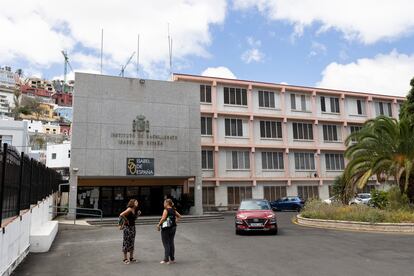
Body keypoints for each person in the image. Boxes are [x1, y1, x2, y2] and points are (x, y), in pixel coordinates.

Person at [157, 198, 182, 264]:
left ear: (167, 203)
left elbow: (163, 218)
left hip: (166, 228)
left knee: (166, 243)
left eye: (164, 202)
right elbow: (179, 216)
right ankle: (172, 259)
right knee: (171, 242)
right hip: (173, 227)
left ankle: (166, 259)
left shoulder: (166, 210)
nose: (163, 204)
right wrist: (176, 221)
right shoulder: (173, 209)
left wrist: (158, 225)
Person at [119, 199, 141, 264]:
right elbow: (121, 214)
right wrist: (126, 220)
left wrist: (137, 215)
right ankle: (125, 259)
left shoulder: (134, 210)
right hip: (127, 228)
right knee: (126, 242)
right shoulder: (129, 209)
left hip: (132, 228)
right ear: (132, 203)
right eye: (136, 202)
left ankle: (131, 258)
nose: (137, 203)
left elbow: (134, 219)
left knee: (132, 242)